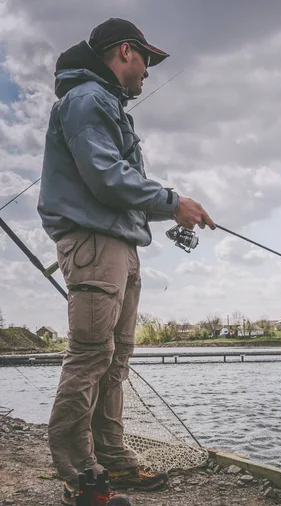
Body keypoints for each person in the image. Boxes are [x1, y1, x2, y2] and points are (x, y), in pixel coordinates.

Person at [37, 18, 215, 506]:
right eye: (146, 60)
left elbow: (113, 184)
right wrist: (173, 201)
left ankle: (112, 457)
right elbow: (105, 177)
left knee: (115, 359)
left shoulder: (102, 103)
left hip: (119, 243)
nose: (148, 72)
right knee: (91, 356)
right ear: (123, 52)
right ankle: (81, 477)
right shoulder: (88, 100)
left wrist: (172, 207)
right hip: (95, 244)